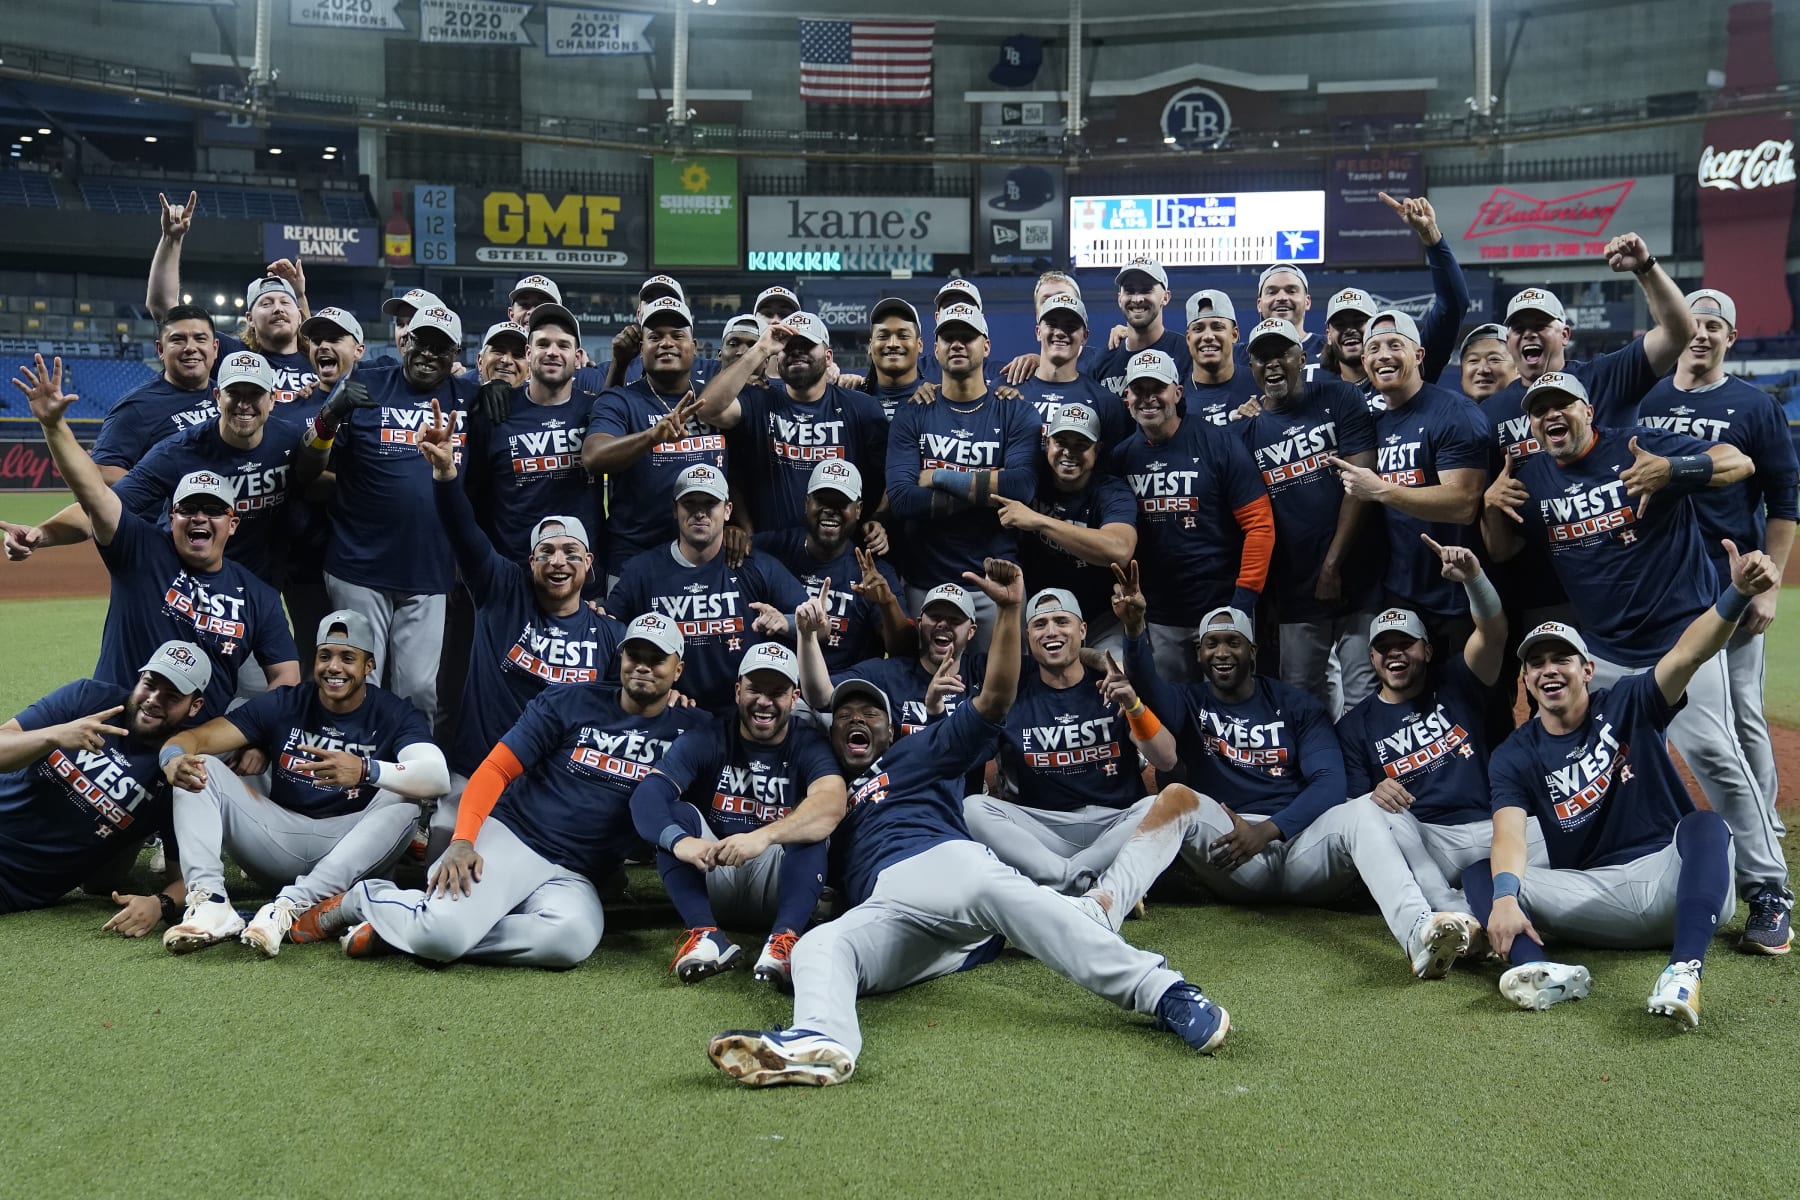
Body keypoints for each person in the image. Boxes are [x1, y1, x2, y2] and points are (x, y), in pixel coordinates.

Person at [707, 559, 1232, 1088]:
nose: (856, 720)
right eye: (845, 715)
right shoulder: (829, 793)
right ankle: (822, 1038)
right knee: (819, 948)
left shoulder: (919, 751)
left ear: (893, 729)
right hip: (892, 909)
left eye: (870, 714)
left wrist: (1009, 613)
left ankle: (1163, 991)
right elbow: (815, 704)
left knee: (992, 885)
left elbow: (996, 697)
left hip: (941, 863)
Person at [1481, 370, 1789, 950]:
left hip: (1680, 635)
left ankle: (1769, 892)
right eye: (1539, 409)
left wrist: (1675, 469)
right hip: (1602, 651)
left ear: (1587, 410)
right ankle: (1620, 865)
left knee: (1718, 759)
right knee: (1600, 765)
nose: (1552, 416)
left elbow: (1739, 463)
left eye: (1563, 405)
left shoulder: (1637, 444)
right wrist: (1492, 506)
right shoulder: (1531, 473)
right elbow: (1500, 548)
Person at [1466, 539, 1780, 1025]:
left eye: (1561, 659)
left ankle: (1685, 970)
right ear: (1526, 680)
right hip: (1593, 895)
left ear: (1587, 670)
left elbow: (1688, 654)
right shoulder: (1514, 754)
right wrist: (1505, 897)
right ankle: (1538, 970)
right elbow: (1508, 835)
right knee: (1480, 875)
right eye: (1537, 663)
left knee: (1706, 826)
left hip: (1672, 884)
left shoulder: (1630, 701)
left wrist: (1735, 595)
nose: (1549, 670)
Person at [1114, 566, 1481, 980]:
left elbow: (1331, 782)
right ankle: (1104, 908)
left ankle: (1418, 930)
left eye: (1233, 642)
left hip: (1298, 846)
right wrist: (1134, 630)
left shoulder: (1296, 705)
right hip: (1232, 854)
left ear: (1252, 651)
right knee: (1173, 797)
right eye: (1211, 644)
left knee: (1365, 808)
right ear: (1198, 653)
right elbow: (1146, 684)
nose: (1221, 652)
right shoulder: (1186, 701)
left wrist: (1268, 830)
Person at [299, 615, 706, 968]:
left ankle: (402, 930)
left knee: (572, 940)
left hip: (578, 872)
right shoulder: (569, 701)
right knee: (439, 937)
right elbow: (494, 770)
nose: (642, 667)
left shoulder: (694, 730)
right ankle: (365, 899)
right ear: (621, 658)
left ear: (678, 669)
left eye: (657, 660)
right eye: (635, 656)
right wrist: (463, 840)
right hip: (517, 838)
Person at [14, 356, 299, 720]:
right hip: (120, 711)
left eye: (212, 511)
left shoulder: (257, 596)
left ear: (232, 522)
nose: (200, 517)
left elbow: (286, 677)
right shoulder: (145, 552)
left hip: (248, 606)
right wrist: (54, 428)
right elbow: (98, 499)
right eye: (188, 509)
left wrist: (249, 738)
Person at [156, 610, 446, 956]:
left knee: (405, 799)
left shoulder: (394, 712)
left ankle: (289, 906)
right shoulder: (286, 702)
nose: (333, 667)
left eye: (347, 658)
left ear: (369, 666)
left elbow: (436, 776)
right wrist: (171, 759)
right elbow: (195, 740)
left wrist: (366, 770)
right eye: (325, 656)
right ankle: (210, 905)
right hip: (280, 839)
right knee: (197, 768)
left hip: (350, 847)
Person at [418, 398, 623, 855]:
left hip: (559, 784)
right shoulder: (502, 590)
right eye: (546, 552)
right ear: (529, 562)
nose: (558, 561)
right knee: (444, 859)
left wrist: (675, 692)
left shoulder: (610, 635)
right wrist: (447, 475)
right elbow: (463, 532)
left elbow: (646, 688)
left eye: (571, 552)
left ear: (589, 565)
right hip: (479, 772)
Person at [1637, 289, 1796, 841]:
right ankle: (1652, 812)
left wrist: (1770, 588)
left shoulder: (1756, 406)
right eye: (1693, 324)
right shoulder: (1645, 396)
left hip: (1729, 580)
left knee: (1743, 708)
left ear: (1731, 337)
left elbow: (1784, 502)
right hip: (1657, 583)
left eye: (1714, 326)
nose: (1701, 334)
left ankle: (1763, 819)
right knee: (1652, 700)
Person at [1336, 536, 1547, 911]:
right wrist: (1372, 796)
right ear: (1372, 658)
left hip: (1496, 828)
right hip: (1428, 842)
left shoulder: (1457, 681)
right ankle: (1453, 910)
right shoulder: (1355, 726)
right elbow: (1354, 808)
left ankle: (1499, 900)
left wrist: (1473, 579)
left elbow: (1493, 633)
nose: (1395, 654)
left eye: (1406, 644)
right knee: (1378, 821)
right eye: (1384, 648)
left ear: (1428, 650)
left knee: (1564, 824)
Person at [303, 303, 478, 728]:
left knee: (419, 689)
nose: (427, 354)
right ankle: (352, 780)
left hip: (429, 572)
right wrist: (329, 415)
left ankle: (407, 775)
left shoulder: (469, 398)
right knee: (356, 682)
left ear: (455, 354)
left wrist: (499, 395)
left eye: (441, 348)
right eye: (421, 342)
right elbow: (305, 472)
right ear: (406, 341)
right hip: (360, 565)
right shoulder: (366, 384)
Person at [630, 643, 841, 988]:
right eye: (755, 689)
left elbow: (832, 804)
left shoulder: (808, 742)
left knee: (811, 828)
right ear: (738, 690)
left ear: (794, 698)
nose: (764, 702)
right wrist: (680, 843)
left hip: (778, 884)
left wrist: (764, 836)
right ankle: (706, 934)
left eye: (777, 693)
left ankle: (783, 942)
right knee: (676, 814)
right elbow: (648, 795)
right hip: (713, 872)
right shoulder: (711, 736)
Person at [8, 351, 300, 586]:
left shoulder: (289, 440)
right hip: (187, 585)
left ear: (272, 400)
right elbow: (103, 507)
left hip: (257, 589)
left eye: (255, 393)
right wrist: (40, 534)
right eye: (234, 393)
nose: (244, 404)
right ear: (217, 397)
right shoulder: (178, 451)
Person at [962, 588, 1176, 908]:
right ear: (1028, 635)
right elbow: (967, 756)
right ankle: (1085, 881)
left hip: (1116, 825)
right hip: (1047, 830)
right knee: (973, 809)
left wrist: (1133, 706)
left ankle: (1064, 881)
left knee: (1168, 804)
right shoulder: (1012, 696)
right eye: (1040, 624)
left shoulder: (1112, 683)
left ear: (1082, 630)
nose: (1051, 631)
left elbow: (1167, 759)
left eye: (1062, 621)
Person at [0, 641, 208, 927]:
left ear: (194, 706)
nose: (153, 699)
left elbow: (188, 878)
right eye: (149, 684)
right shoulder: (88, 698)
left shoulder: (175, 772)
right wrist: (54, 735)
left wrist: (159, 903)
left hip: (14, 882)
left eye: (171, 696)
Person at [1237, 319, 1379, 716]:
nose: (1272, 364)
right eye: (1261, 357)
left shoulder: (1341, 399)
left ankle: (1363, 779)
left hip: (1358, 577)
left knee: (1363, 697)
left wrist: (1333, 564)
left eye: (1281, 353)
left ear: (1302, 357)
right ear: (1251, 367)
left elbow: (1361, 484)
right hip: (1294, 588)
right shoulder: (1245, 432)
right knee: (1301, 702)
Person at [1110, 349, 1273, 682]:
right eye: (1138, 390)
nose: (1148, 398)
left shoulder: (1218, 443)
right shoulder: (1120, 459)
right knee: (1174, 713)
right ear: (1127, 397)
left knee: (1231, 708)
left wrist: (1241, 604)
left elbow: (1259, 525)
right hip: (1159, 617)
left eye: (1157, 388)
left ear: (1178, 392)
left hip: (1222, 607)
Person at [1329, 310, 1486, 656]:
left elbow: (1463, 504)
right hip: (1401, 591)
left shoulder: (1453, 413)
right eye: (1373, 349)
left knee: (1469, 704)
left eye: (1394, 345)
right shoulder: (1375, 423)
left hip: (1458, 592)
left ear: (1418, 355)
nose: (1383, 355)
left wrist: (1381, 490)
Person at [884, 303, 1040, 646]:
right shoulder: (913, 412)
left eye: (967, 337)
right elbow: (902, 500)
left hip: (998, 583)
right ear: (935, 348)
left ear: (985, 346)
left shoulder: (1014, 409)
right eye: (949, 337)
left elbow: (1021, 487)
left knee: (1002, 694)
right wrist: (986, 491)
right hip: (925, 582)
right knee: (929, 692)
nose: (957, 344)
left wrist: (940, 476)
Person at [606, 464, 809, 709]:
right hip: (673, 710)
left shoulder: (757, 565)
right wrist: (653, 691)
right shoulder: (641, 571)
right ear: (675, 509)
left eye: (710, 504)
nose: (700, 513)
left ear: (727, 510)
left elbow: (823, 628)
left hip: (745, 711)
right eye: (690, 503)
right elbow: (607, 638)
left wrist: (786, 622)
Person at [696, 310, 889, 534]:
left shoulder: (862, 408)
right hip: (770, 553)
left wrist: (878, 519)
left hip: (838, 553)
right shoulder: (758, 401)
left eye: (807, 345)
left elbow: (890, 475)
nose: (797, 351)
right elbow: (707, 409)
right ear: (777, 359)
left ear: (828, 357)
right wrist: (760, 348)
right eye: (787, 345)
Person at [582, 297, 728, 581]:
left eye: (677, 335)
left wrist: (738, 523)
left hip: (706, 558)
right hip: (634, 561)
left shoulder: (715, 401)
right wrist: (652, 436)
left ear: (694, 346)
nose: (666, 343)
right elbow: (593, 457)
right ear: (641, 349)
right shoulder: (620, 399)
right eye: (655, 337)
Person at [461, 303, 603, 565]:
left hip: (580, 574)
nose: (552, 352)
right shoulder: (493, 412)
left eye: (563, 345)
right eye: (543, 344)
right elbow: (471, 491)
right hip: (509, 574)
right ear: (529, 352)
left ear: (578, 355)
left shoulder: (597, 411)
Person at [752, 461, 910, 673]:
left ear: (858, 510)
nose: (830, 510)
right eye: (822, 500)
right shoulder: (775, 547)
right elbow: (728, 549)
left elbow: (904, 650)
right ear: (807, 503)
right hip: (777, 682)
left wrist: (887, 604)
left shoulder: (874, 572)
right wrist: (734, 534)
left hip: (843, 690)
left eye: (841, 503)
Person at [1004, 403, 1138, 651]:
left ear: (1097, 450)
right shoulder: (1030, 479)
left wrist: (1039, 521)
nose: (1068, 452)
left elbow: (1119, 550)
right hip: (1040, 615)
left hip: (1100, 617)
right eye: (1061, 442)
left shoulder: (1111, 491)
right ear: (1047, 443)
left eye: (1081, 445)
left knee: (1117, 677)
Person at [1315, 193, 1472, 398]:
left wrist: (1430, 235)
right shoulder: (1319, 395)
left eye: (1359, 320)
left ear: (1377, 327)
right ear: (1328, 335)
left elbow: (1452, 305)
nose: (1350, 329)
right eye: (1340, 324)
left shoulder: (1409, 369)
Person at [88, 304, 219, 480]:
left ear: (215, 348)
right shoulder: (137, 407)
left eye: (200, 339)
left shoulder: (231, 396)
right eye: (177, 339)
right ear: (160, 350)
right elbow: (102, 470)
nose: (190, 347)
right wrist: (161, 493)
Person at [1012, 293, 1133, 450]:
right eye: (1052, 324)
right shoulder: (1007, 391)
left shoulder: (1106, 403)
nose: (1060, 332)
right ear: (1038, 332)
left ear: (1085, 337)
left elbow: (1111, 467)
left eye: (1071, 326)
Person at [1089, 258, 1190, 396]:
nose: (1137, 299)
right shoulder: (1102, 361)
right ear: (1119, 299)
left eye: (1147, 290)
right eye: (1129, 291)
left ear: (1165, 297)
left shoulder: (1186, 353)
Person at [1181, 290, 1257, 427]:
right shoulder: (1176, 400)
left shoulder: (1259, 384)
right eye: (1198, 329)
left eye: (1217, 327)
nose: (1208, 336)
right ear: (1188, 338)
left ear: (1234, 335)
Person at [860, 297, 928, 419]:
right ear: (870, 346)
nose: (892, 344)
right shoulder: (853, 399)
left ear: (920, 345)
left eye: (903, 336)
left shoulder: (934, 399)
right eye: (882, 336)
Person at [1457, 324, 1516, 401]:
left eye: (1494, 359)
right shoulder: (1447, 411)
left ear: (1519, 369)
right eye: (1473, 360)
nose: (1482, 369)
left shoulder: (1533, 412)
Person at [475, 321, 529, 388]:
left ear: (529, 370)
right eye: (498, 351)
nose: (507, 360)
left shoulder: (542, 398)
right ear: (480, 361)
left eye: (518, 355)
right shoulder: (463, 396)